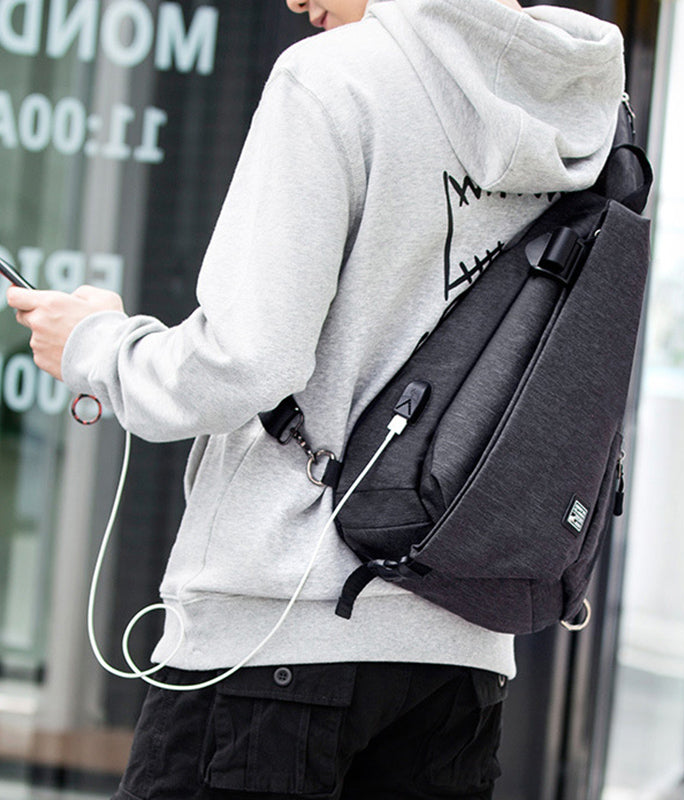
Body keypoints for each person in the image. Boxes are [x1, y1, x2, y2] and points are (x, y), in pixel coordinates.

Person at [7, 0, 625, 797]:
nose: (295, 3)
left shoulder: (333, 80)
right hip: (461, 660)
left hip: (277, 636)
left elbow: (243, 362)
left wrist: (98, 345)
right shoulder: (586, 108)